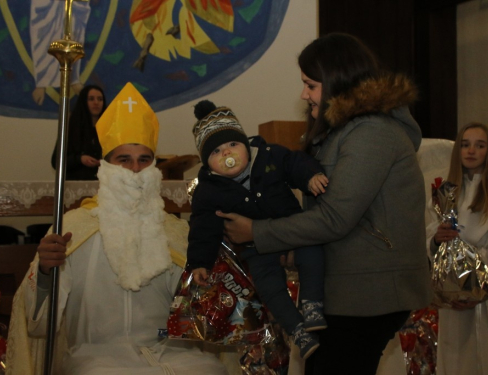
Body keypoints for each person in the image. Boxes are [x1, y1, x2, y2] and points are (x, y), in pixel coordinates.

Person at [216, 32, 433, 375]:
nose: (304, 94)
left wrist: (257, 231)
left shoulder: (371, 133)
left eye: (311, 85)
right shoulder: (344, 131)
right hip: (350, 285)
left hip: (371, 291)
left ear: (337, 81)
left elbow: (335, 218)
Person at [6, 83, 228, 375]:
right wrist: (46, 273)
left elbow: (201, 316)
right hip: (96, 356)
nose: (135, 169)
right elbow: (39, 324)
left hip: (175, 354)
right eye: (123, 160)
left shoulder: (177, 233)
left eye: (144, 160)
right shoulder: (73, 228)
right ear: (105, 166)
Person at [187, 100, 329, 359]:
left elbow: (296, 162)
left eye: (233, 144)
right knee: (268, 286)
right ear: (207, 164)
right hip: (256, 248)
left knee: (313, 252)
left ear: (245, 143)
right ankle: (298, 330)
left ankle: (312, 304)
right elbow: (202, 227)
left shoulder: (269, 155)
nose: (227, 154)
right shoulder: (208, 190)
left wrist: (310, 176)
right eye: (216, 151)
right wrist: (199, 262)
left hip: (293, 231)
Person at [427, 122, 488, 375]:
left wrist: (480, 289)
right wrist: (437, 240)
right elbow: (428, 236)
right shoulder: (444, 194)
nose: (471, 151)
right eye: (465, 145)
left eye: (480, 146)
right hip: (454, 292)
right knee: (457, 359)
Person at [51, 85, 106, 180]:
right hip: (76, 183)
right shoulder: (71, 128)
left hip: (104, 184)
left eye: (100, 99)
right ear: (84, 102)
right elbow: (56, 161)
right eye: (91, 99)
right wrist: (80, 159)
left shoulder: (109, 128)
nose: (96, 102)